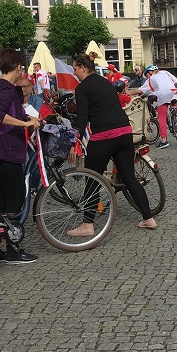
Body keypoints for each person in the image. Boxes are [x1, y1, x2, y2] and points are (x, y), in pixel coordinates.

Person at [66, 54, 156, 235]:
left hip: (103, 137)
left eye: (75, 68)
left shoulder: (82, 88)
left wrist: (73, 142)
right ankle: (148, 218)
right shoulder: (105, 81)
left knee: (92, 179)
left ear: (83, 67)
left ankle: (87, 224)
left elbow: (82, 119)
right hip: (124, 133)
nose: (74, 72)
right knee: (129, 178)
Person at [0, 48, 42, 264]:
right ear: (17, 67)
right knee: (14, 203)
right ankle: (14, 251)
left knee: (1, 204)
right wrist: (25, 123)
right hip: (6, 150)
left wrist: (27, 117)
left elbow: (8, 112)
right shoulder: (6, 89)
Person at [137, 65, 177, 149]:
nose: (147, 77)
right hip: (174, 93)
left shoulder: (152, 78)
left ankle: (164, 140)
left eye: (147, 75)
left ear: (150, 72)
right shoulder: (165, 72)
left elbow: (140, 90)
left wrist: (129, 93)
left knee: (162, 117)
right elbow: (175, 81)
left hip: (163, 96)